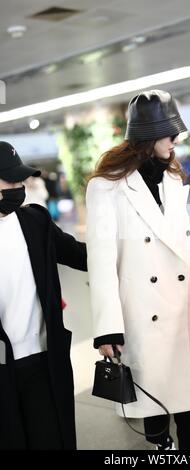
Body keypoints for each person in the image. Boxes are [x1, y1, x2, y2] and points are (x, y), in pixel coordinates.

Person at [86, 89, 190, 450]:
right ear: (148, 134)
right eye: (169, 132)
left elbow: (184, 245)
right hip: (145, 313)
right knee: (156, 405)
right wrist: (107, 329)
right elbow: (101, 262)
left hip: (189, 309)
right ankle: (163, 447)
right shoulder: (106, 187)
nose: (176, 139)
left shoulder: (173, 178)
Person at [0, 141, 87, 450]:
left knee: (50, 439)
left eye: (19, 179)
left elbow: (80, 255)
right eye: (10, 180)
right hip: (3, 367)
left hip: (43, 358)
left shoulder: (34, 221)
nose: (18, 186)